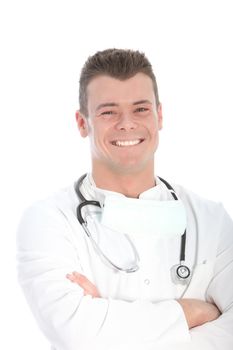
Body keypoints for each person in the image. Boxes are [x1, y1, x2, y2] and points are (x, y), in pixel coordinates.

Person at [16, 48, 233, 350]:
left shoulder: (212, 221)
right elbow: (76, 332)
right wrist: (195, 312)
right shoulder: (49, 221)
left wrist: (107, 325)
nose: (126, 123)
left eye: (141, 109)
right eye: (108, 111)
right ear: (82, 123)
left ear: (159, 116)